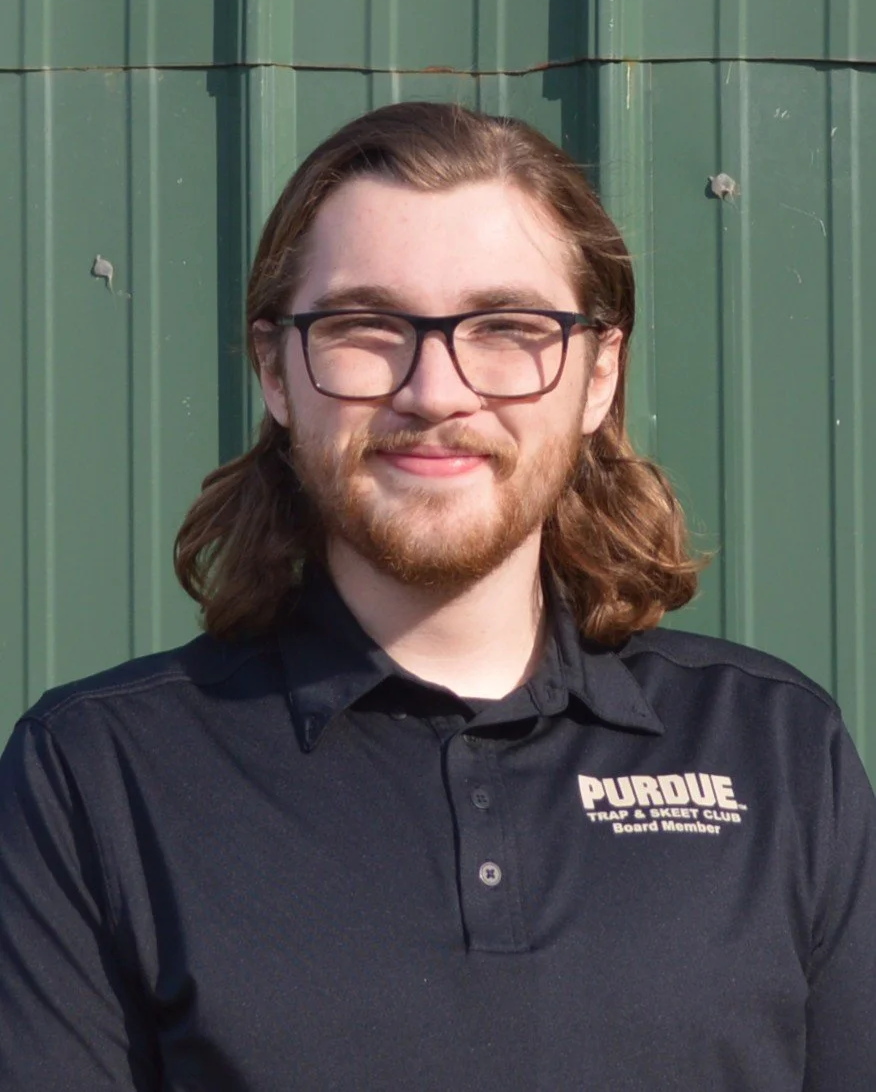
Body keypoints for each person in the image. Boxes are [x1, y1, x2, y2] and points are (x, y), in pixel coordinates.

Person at [0, 102, 873, 1091]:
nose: (435, 390)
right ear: (276, 371)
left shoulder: (777, 751)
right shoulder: (98, 777)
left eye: (506, 328)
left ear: (599, 375)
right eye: (366, 326)